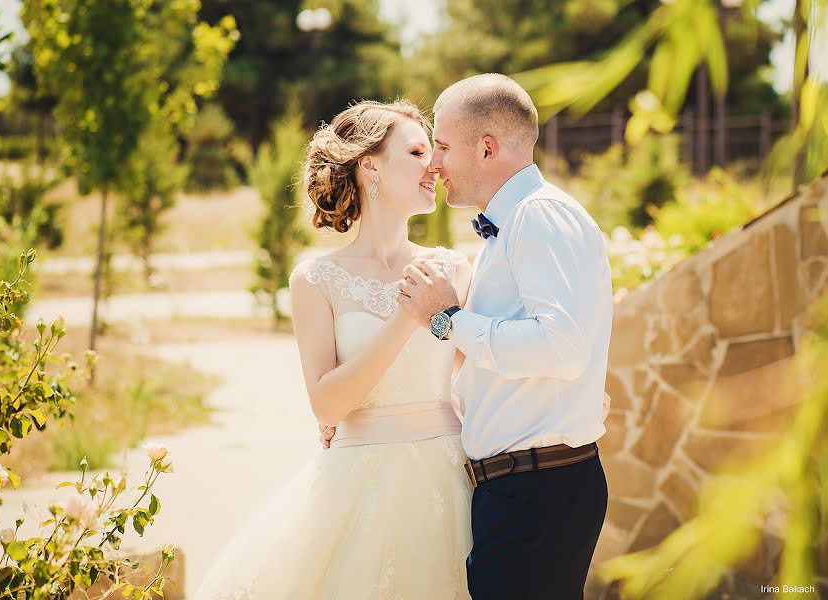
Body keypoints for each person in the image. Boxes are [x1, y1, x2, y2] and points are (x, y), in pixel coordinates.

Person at [193, 99, 476, 599]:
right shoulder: (316, 279)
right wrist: (407, 317)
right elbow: (326, 404)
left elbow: (473, 379)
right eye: (415, 151)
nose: (434, 165)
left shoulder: (453, 270)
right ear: (370, 166)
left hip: (450, 480)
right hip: (357, 484)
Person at [394, 73, 612, 599]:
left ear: (486, 148)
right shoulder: (514, 223)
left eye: (442, 146)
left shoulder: (538, 217)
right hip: (526, 489)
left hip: (537, 493)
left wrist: (447, 319)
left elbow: (562, 348)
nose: (434, 163)